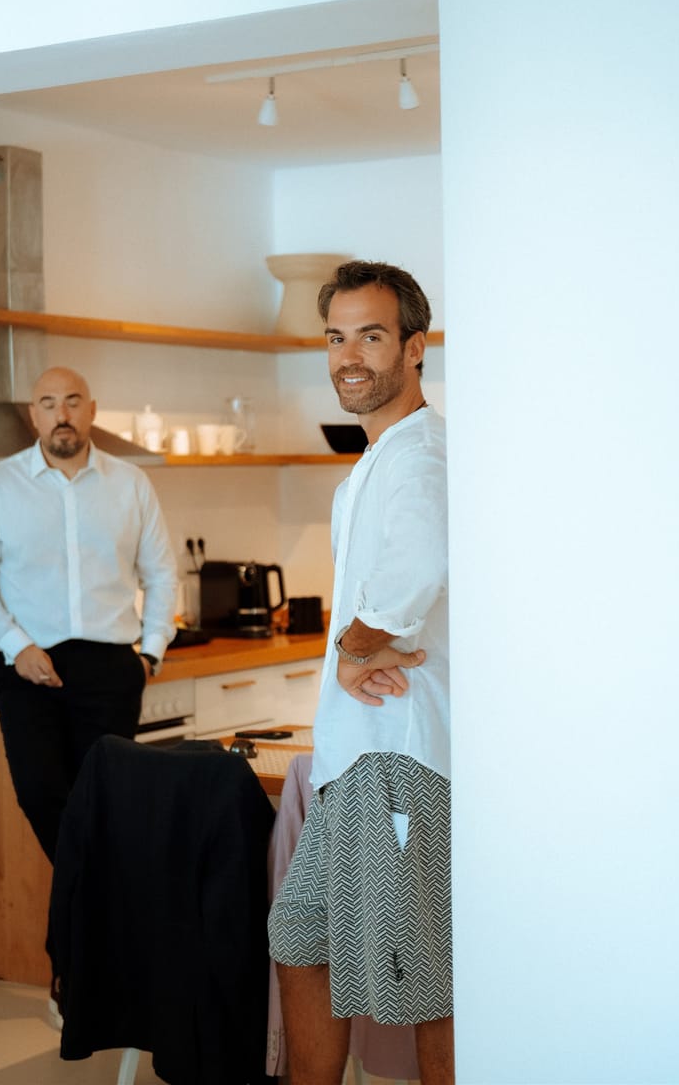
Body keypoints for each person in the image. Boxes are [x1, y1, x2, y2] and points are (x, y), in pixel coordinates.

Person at [268, 261, 452, 1085]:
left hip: (397, 756)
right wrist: (357, 641)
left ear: (414, 348)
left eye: (371, 336)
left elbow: (418, 565)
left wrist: (352, 647)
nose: (349, 355)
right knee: (299, 938)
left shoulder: (419, 457)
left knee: (424, 979)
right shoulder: (373, 464)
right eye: (336, 336)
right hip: (354, 760)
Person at [0, 366, 178, 865]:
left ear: (91, 410)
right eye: (48, 403)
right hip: (27, 668)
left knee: (105, 806)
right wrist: (16, 645)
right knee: (42, 797)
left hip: (110, 670)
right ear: (34, 416)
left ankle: (77, 936)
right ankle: (93, 929)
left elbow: (161, 574)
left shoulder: (131, 484)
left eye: (72, 401)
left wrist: (150, 653)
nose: (61, 414)